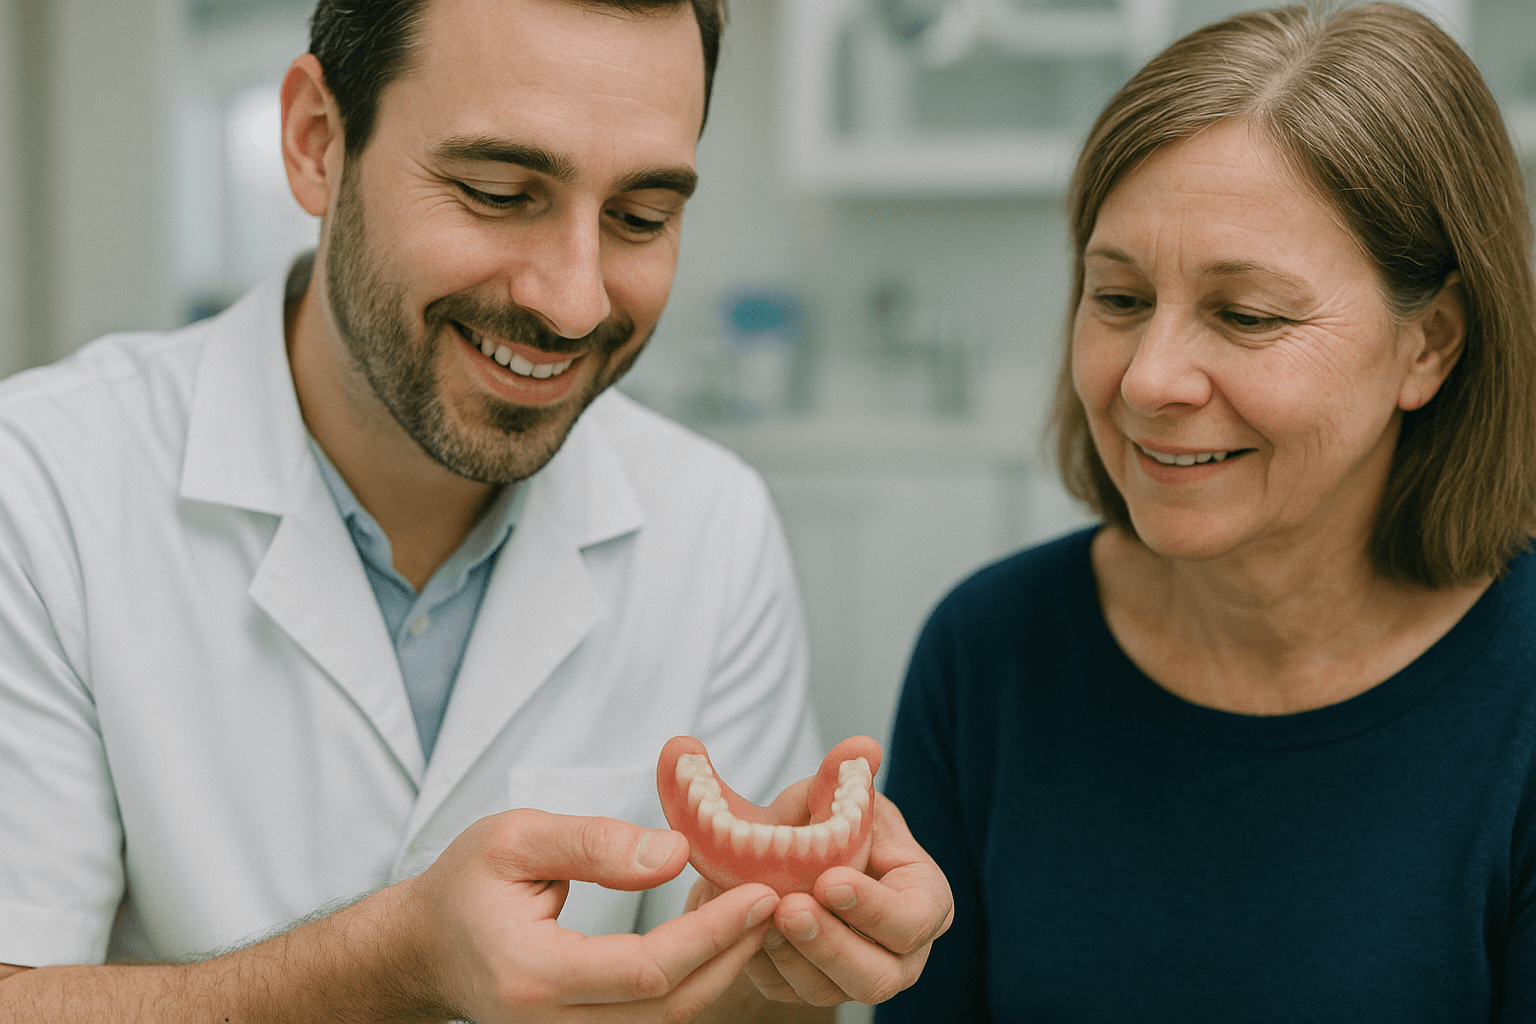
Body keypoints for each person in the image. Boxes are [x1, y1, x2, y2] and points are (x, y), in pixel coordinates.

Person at [0, 0, 951, 1020]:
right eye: (499, 193)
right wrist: (392, 959)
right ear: (318, 142)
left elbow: (744, 1014)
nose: (575, 301)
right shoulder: (41, 483)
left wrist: (781, 958)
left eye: (639, 218)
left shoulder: (712, 524)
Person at [879, 3, 1536, 1020]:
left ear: (1431, 343)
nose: (1149, 380)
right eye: (1119, 298)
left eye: (1246, 315)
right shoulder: (988, 653)